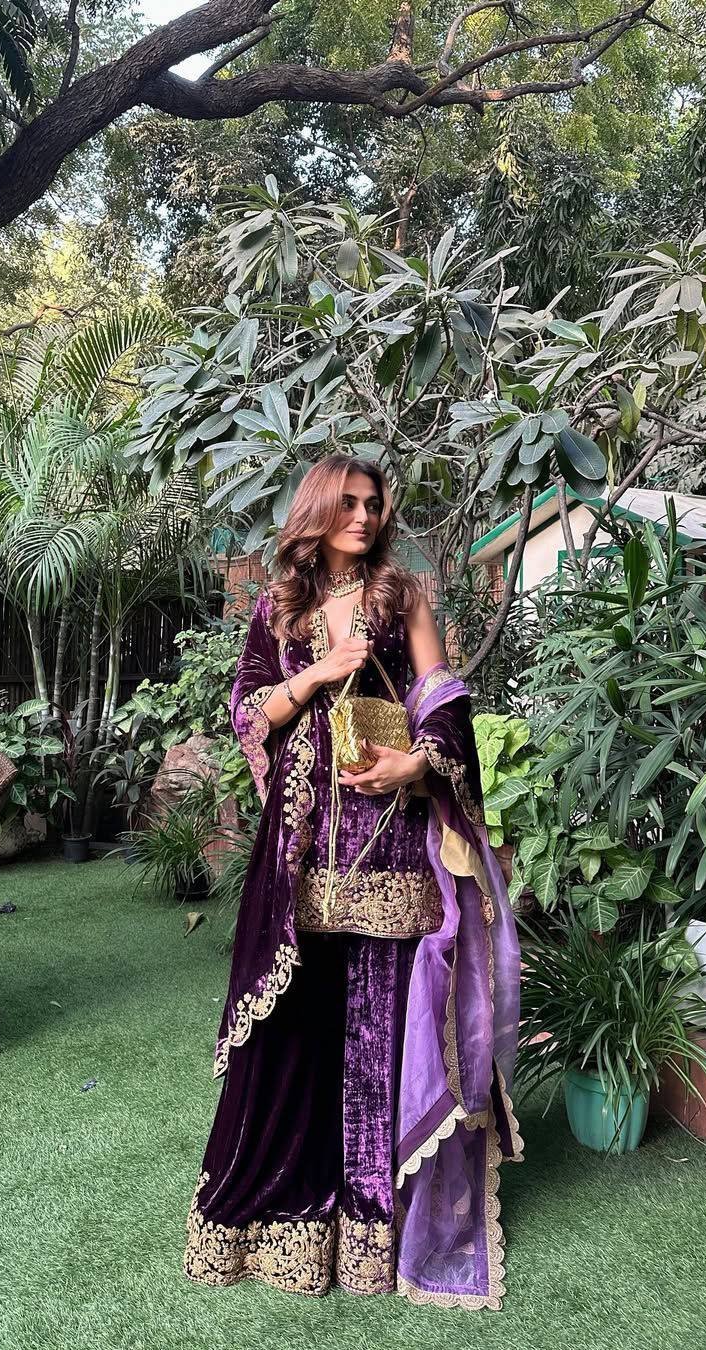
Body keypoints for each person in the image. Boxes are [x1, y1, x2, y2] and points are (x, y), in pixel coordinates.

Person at [182, 454, 523, 1309]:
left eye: (375, 504)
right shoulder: (278, 608)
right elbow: (247, 713)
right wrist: (318, 673)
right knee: (293, 1032)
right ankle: (279, 1217)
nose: (366, 517)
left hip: (391, 848)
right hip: (302, 856)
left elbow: (445, 699)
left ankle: (376, 1224)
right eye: (350, 503)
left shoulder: (402, 596)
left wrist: (418, 762)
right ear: (318, 509)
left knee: (381, 1035)